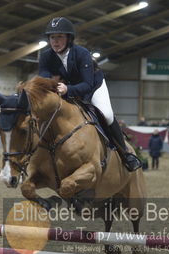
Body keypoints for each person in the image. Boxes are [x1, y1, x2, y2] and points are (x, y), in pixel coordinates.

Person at [38, 17, 141, 171]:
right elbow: (44, 77)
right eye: (52, 37)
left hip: (93, 87)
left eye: (59, 37)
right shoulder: (46, 56)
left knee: (106, 114)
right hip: (65, 89)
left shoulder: (81, 53)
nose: (55, 41)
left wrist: (68, 89)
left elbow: (87, 84)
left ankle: (125, 154)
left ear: (68, 38)